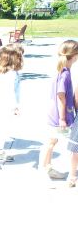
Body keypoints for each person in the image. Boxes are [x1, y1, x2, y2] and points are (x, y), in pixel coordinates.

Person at [39, 40, 75, 179]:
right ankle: (43, 171)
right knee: (50, 142)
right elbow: (61, 96)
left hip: (54, 112)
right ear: (74, 55)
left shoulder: (61, 70)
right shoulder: (65, 73)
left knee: (52, 141)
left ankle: (48, 168)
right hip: (58, 115)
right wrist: (62, 118)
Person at [60, 41, 78, 187]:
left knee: (75, 149)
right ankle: (72, 177)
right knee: (75, 148)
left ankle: (72, 177)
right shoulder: (65, 73)